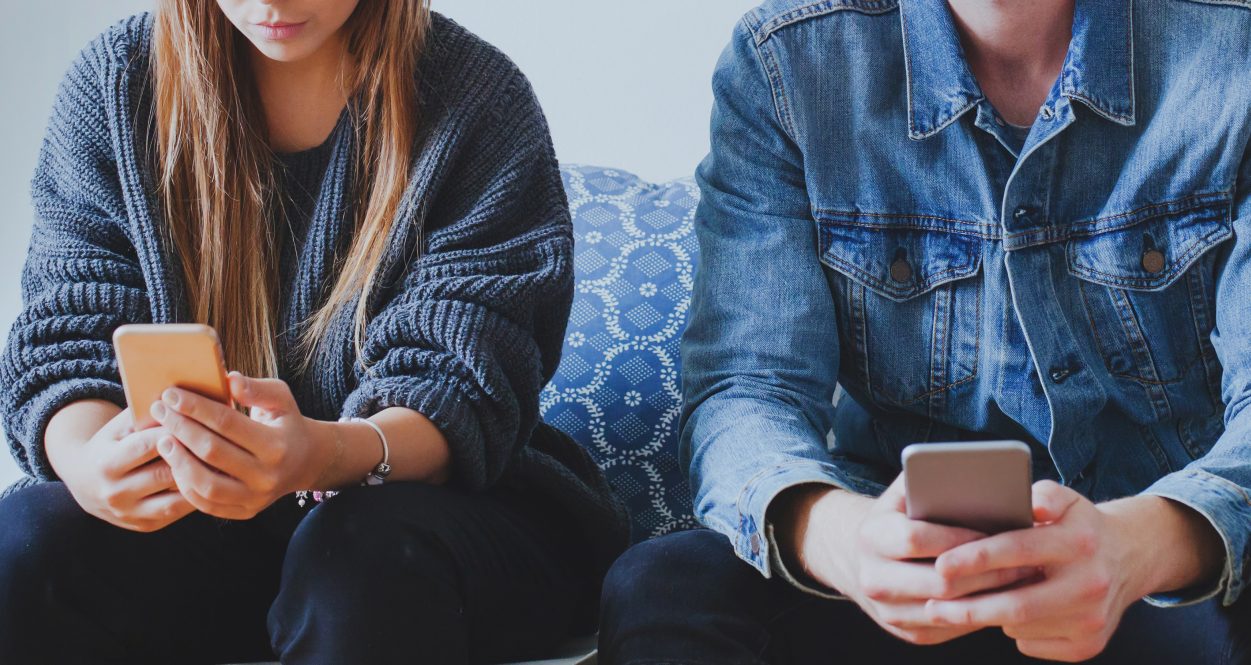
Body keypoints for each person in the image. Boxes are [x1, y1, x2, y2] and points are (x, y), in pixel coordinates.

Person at [600, 0, 1251, 662]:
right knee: (665, 585)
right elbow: (746, 387)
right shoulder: (787, 64)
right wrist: (843, 538)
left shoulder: (1233, 52)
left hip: (1174, 564)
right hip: (901, 569)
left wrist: (1137, 546)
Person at [0, 1, 627, 663]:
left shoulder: (475, 97)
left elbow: (464, 381)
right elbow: (65, 337)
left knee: (354, 558)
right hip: (219, 530)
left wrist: (321, 455)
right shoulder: (117, 83)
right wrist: (91, 465)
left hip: (443, 515)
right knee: (29, 541)